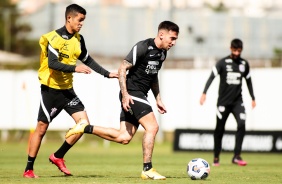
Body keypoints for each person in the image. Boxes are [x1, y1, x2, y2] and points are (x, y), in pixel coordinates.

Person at [65, 20, 179, 180]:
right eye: (172, 38)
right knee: (152, 127)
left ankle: (85, 127)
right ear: (161, 34)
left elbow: (153, 76)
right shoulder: (143, 47)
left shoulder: (162, 53)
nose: (173, 42)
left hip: (140, 94)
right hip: (132, 92)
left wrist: (158, 98)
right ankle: (147, 169)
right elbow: (122, 68)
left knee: (123, 137)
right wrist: (125, 95)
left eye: (175, 39)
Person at [23, 4, 118, 178]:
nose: (82, 23)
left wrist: (108, 74)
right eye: (79, 20)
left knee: (82, 125)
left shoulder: (78, 39)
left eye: (83, 20)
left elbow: (88, 60)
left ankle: (58, 156)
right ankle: (29, 169)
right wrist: (75, 68)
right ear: (69, 18)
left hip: (68, 91)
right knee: (41, 128)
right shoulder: (53, 38)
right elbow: (52, 63)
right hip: (51, 91)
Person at [199, 38, 256, 166]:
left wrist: (253, 97)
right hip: (223, 103)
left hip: (238, 102)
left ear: (241, 50)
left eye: (239, 51)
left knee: (242, 124)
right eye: (234, 50)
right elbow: (211, 77)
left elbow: (249, 81)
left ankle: (237, 156)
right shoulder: (222, 63)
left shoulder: (244, 64)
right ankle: (216, 157)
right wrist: (204, 93)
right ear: (230, 48)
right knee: (219, 129)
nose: (236, 53)